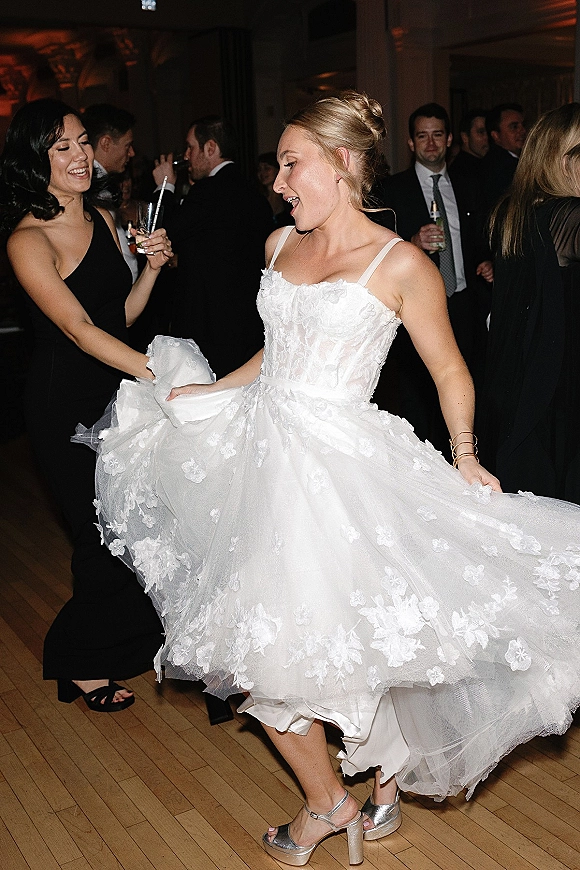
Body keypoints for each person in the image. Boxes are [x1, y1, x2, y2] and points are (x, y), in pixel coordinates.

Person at [90, 92, 580, 865]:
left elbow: (450, 369)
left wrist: (464, 453)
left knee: (324, 639)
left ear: (345, 163)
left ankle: (344, 798)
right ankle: (350, 792)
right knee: (279, 643)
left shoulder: (401, 264)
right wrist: (214, 391)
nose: (280, 181)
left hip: (339, 469)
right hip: (260, 454)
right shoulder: (279, 242)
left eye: (293, 164)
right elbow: (277, 351)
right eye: (281, 166)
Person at [0, 98, 173, 711]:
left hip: (117, 390)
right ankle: (78, 660)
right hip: (64, 404)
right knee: (99, 533)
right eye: (61, 147)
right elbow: (76, 329)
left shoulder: (101, 217)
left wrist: (151, 270)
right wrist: (159, 374)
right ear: (35, 161)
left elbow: (115, 316)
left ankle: (115, 643)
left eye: (81, 142)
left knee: (136, 526)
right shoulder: (28, 240)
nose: (79, 156)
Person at [372, 102, 493, 455]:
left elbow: (478, 238)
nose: (430, 143)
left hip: (464, 301)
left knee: (465, 382)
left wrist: (486, 261)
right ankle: (425, 463)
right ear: (411, 143)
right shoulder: (393, 189)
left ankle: (464, 456)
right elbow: (377, 247)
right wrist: (412, 241)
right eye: (422, 136)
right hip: (417, 306)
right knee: (420, 393)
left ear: (449, 139)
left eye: (437, 135)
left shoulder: (469, 185)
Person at [479, 102, 580, 505]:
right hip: (557, 385)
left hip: (518, 379)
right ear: (564, 159)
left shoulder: (514, 211)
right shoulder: (567, 215)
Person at [152, 116, 274, 379]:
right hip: (248, 324)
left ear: (210, 148)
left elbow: (162, 232)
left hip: (208, 325)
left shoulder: (209, 191)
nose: (186, 156)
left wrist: (165, 186)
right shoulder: (254, 194)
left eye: (190, 147)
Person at [83, 103, 138, 281]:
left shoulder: (99, 183)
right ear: (106, 143)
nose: (132, 153)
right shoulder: (93, 187)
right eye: (127, 146)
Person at [482, 102, 527, 210]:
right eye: (514, 127)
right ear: (496, 135)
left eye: (523, 125)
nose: (522, 131)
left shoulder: (514, 161)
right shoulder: (499, 167)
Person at [448, 109, 489, 183]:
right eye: (481, 132)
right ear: (465, 137)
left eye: (488, 132)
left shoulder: (486, 164)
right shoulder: (460, 172)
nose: (487, 137)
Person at [257, 151, 294, 227]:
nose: (262, 173)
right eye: (259, 169)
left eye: (267, 168)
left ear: (277, 170)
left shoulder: (289, 196)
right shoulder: (257, 197)